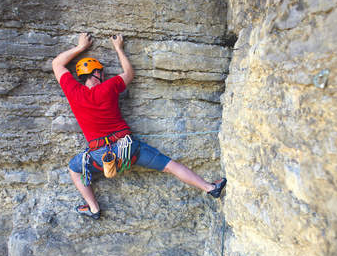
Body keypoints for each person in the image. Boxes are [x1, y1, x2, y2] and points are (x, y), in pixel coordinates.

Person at [52, 32, 226, 220]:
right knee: (168, 165)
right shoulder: (108, 86)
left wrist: (80, 47)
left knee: (74, 168)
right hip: (128, 149)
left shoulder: (73, 91)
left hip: (99, 156)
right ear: (98, 73)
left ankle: (93, 208)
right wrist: (118, 48)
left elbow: (57, 64)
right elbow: (129, 73)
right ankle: (210, 188)